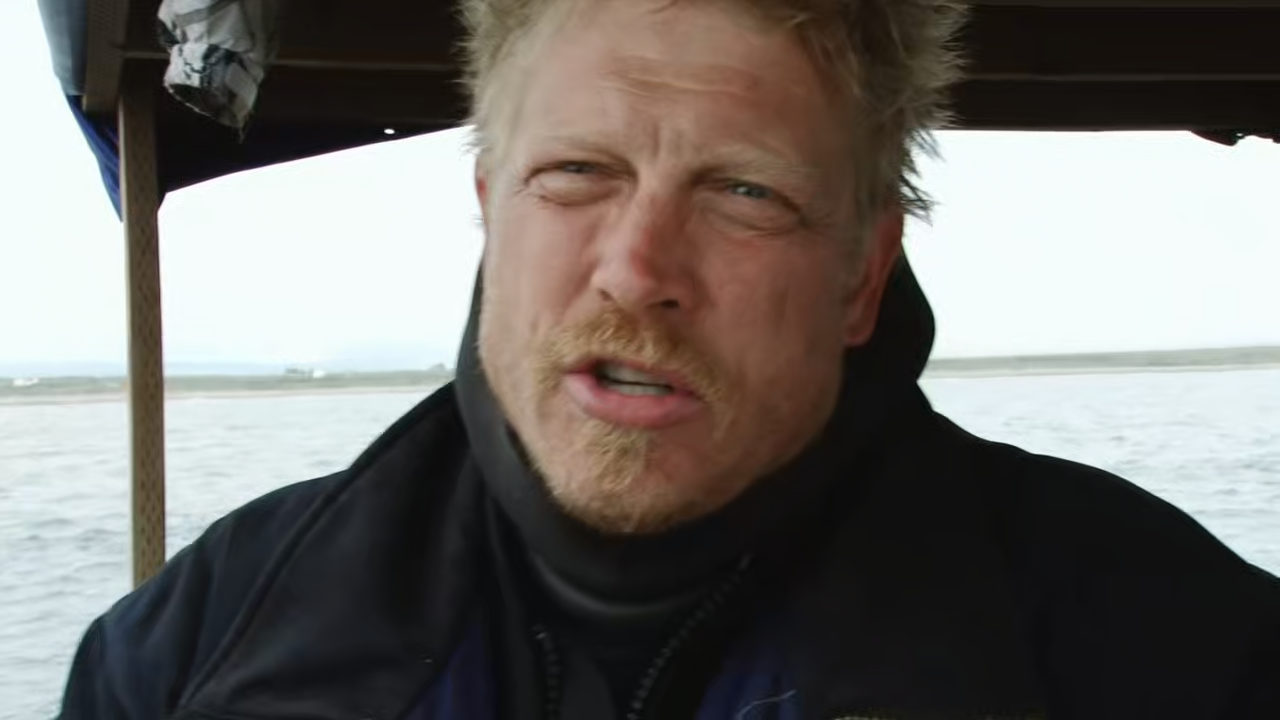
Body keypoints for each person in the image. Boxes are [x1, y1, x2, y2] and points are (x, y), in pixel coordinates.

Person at [59, 0, 1280, 718]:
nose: (637, 268)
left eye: (744, 192)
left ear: (860, 277)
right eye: (575, 173)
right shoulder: (183, 654)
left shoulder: (1183, 653)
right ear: (490, 212)